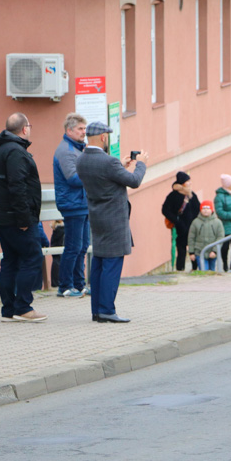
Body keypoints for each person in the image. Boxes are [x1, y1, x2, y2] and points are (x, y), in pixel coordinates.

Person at [75, 121, 147, 323]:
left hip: (97, 217)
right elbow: (134, 181)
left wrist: (120, 166)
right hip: (114, 219)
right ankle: (107, 309)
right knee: (112, 265)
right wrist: (141, 163)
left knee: (98, 263)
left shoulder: (82, 160)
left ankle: (97, 310)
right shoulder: (108, 162)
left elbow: (107, 178)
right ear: (104, 137)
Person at [0, 112, 45, 322]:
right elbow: (17, 187)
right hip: (15, 218)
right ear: (24, 129)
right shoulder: (16, 152)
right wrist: (23, 219)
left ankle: (8, 310)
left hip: (2, 216)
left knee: (10, 260)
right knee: (32, 257)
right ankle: (23, 307)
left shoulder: (0, 148)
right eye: (28, 126)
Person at [52, 113, 90, 298]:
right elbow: (73, 178)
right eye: (80, 129)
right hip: (72, 204)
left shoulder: (78, 149)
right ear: (69, 130)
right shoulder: (66, 150)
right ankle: (65, 286)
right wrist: (94, 174)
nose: (84, 132)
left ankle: (79, 284)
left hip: (82, 203)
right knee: (73, 246)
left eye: (85, 128)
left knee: (82, 246)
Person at [162, 171, 200, 271]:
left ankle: (195, 269)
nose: (190, 183)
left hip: (192, 226)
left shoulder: (191, 194)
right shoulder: (173, 195)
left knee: (194, 248)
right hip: (180, 227)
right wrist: (177, 221)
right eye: (188, 181)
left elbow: (197, 208)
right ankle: (180, 269)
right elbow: (165, 209)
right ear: (182, 182)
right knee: (181, 249)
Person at [188, 200, 224, 271]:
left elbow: (220, 237)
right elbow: (191, 238)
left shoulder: (217, 222)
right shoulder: (195, 222)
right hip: (199, 252)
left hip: (212, 252)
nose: (206, 210)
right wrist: (191, 252)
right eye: (203, 209)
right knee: (204, 270)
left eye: (208, 208)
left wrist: (215, 251)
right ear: (200, 210)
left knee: (212, 270)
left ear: (211, 210)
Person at [50, 219, 65, 288]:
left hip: (55, 246)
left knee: (56, 261)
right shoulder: (62, 229)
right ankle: (58, 282)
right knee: (59, 261)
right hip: (60, 247)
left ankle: (55, 282)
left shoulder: (56, 229)